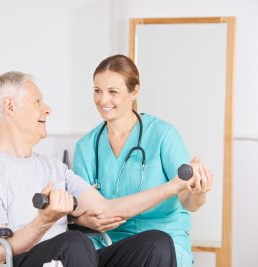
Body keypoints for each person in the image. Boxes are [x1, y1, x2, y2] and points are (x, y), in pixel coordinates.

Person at [0, 71, 209, 267]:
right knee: (74, 242)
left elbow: (107, 209)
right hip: (21, 261)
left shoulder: (53, 167)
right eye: (37, 101)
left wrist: (173, 186)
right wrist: (45, 221)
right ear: (10, 107)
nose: (47, 108)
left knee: (157, 243)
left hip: (71, 258)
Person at [72, 55, 214, 267]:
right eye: (97, 91)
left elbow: (189, 201)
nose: (103, 100)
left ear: (134, 92)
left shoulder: (162, 134)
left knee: (158, 246)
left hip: (164, 238)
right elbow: (79, 213)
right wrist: (84, 220)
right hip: (108, 243)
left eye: (113, 92)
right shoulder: (86, 147)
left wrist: (199, 192)